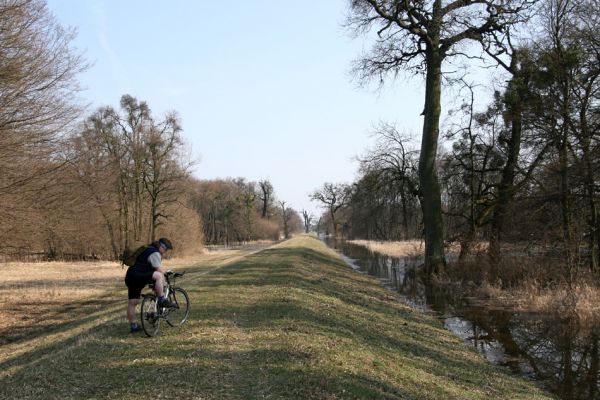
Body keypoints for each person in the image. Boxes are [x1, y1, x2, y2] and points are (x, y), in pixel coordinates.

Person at [124, 237, 174, 333]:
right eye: (166, 249)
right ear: (162, 247)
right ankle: (162, 299)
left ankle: (134, 326)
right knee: (159, 276)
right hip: (140, 275)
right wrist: (164, 284)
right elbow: (158, 270)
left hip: (131, 276)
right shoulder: (154, 253)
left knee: (133, 302)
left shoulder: (146, 249)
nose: (165, 252)